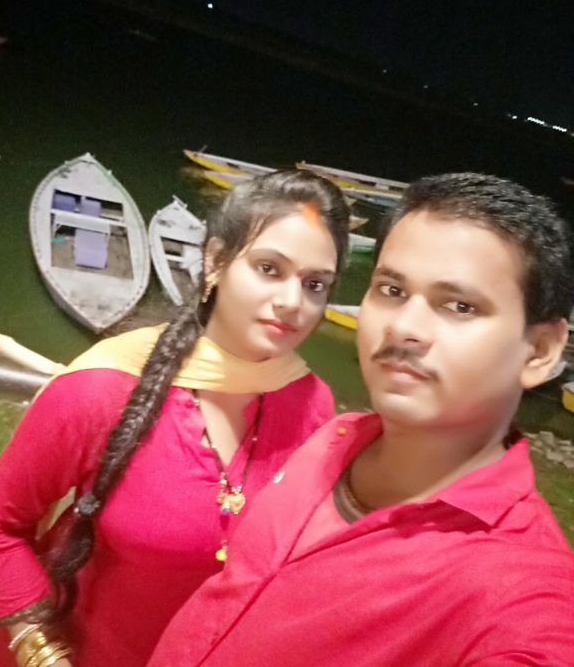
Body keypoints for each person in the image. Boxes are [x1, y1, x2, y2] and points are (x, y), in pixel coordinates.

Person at [147, 172, 574, 667]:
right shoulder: (331, 439)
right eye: (392, 290)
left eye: (460, 306)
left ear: (540, 351)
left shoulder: (518, 594)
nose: (405, 326)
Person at [0, 169, 350, 667]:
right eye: (269, 269)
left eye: (315, 284)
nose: (293, 302)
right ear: (215, 261)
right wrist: (40, 652)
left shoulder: (310, 403)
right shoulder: (103, 390)